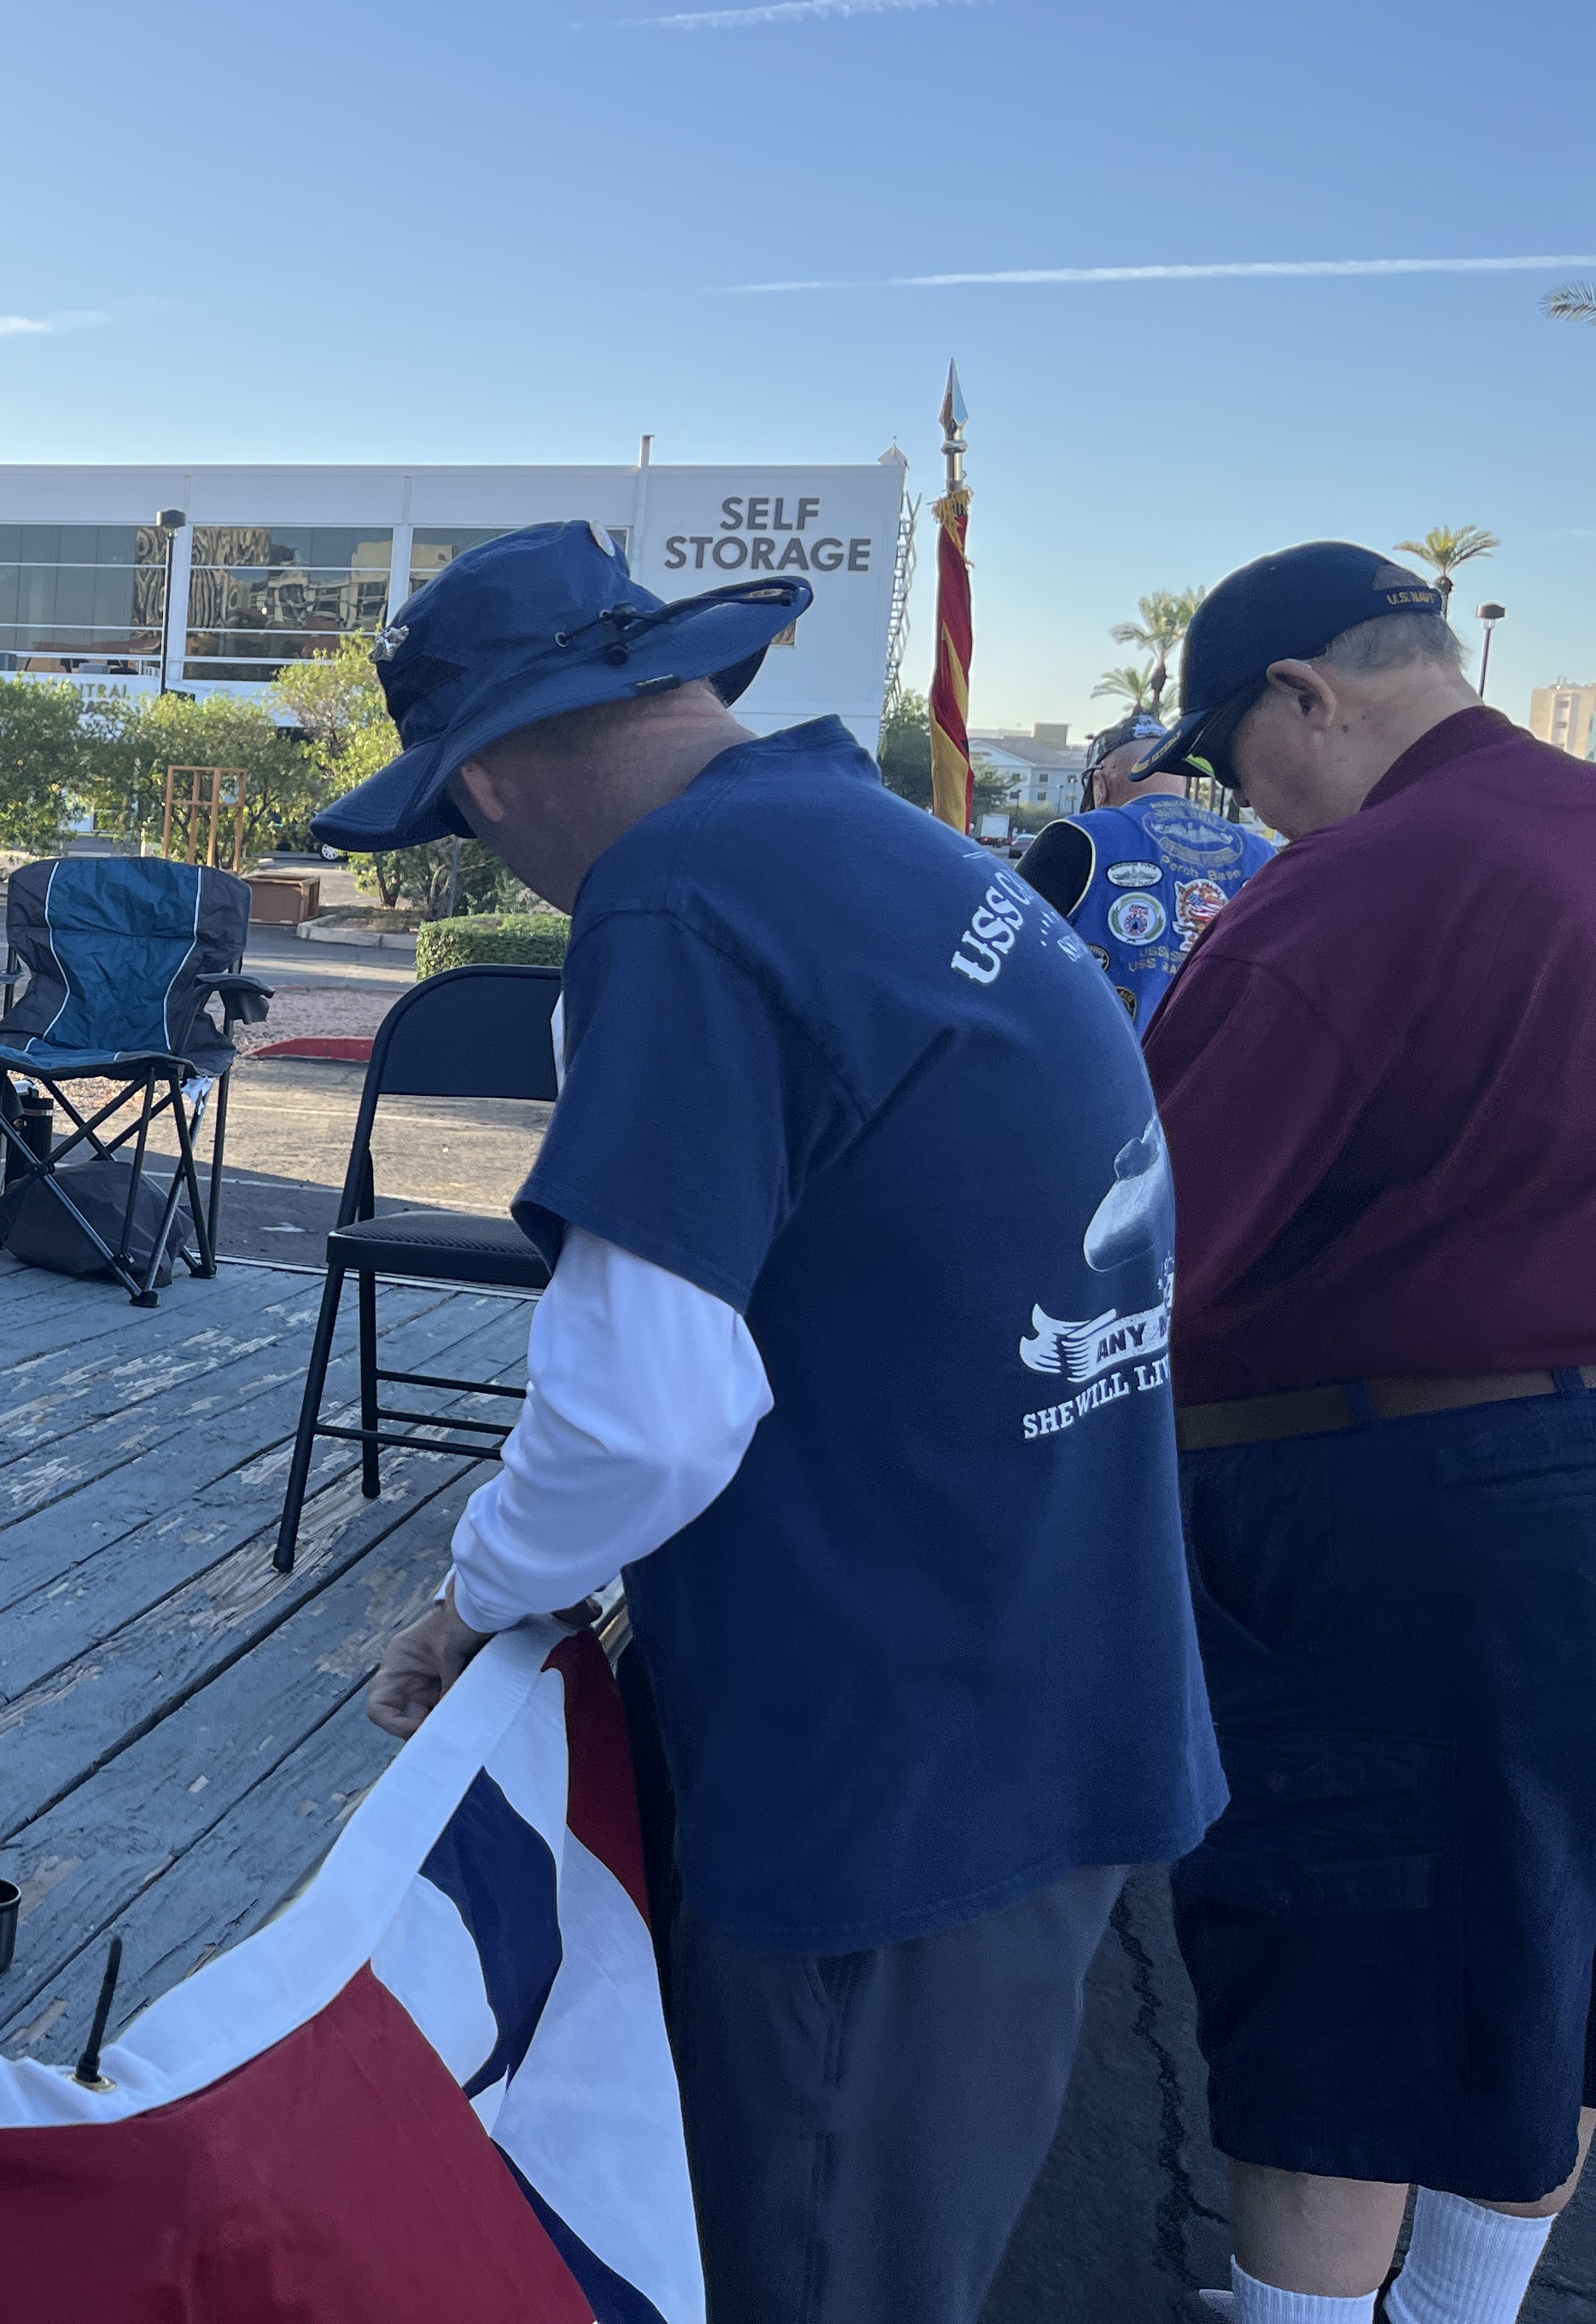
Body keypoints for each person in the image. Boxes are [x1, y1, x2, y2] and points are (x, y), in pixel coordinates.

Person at [329, 522, 1221, 2324]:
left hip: (881, 1766)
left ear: (485, 780)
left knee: (810, 2272)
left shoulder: (680, 901)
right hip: (1053, 1676)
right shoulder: (887, 849)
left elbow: (642, 1418)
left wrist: (475, 1592)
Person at [1130, 541, 1596, 2324]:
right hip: (1552, 1474)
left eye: (1236, 760)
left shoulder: (1362, 887)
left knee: (1341, 1978)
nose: (1249, 804)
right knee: (1556, 1954)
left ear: (1305, 694)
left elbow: (1142, 1253)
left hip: (1393, 1497)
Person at [1018, 711, 1278, 1026]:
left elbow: (1011, 952)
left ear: (1099, 785)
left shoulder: (1076, 837)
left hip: (1100, 1052)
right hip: (1225, 1054)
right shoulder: (1263, 854)